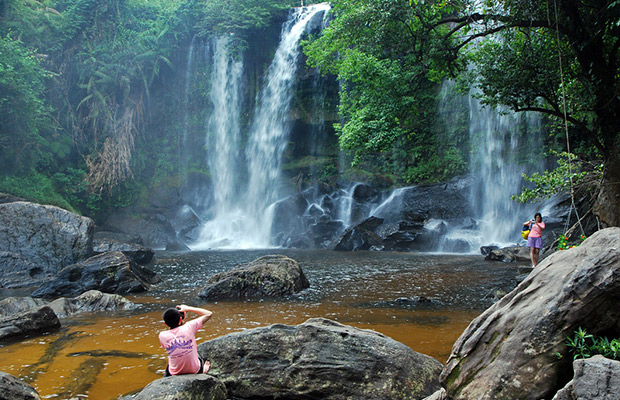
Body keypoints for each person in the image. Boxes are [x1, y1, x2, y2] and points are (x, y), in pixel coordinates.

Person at [159, 304, 213, 376]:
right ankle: (203, 372)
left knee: (172, 353)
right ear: (181, 319)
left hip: (174, 373)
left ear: (165, 324)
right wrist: (188, 308)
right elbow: (209, 314)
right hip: (195, 371)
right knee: (196, 353)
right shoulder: (189, 327)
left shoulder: (162, 335)